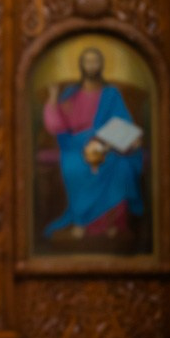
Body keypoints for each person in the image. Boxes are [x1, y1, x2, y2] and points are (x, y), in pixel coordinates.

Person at [43, 47, 144, 241]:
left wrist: (121, 139)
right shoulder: (70, 94)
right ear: (81, 65)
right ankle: (82, 221)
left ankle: (113, 223)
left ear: (101, 65)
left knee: (122, 167)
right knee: (74, 166)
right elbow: (56, 126)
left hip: (106, 143)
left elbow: (123, 123)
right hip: (75, 145)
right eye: (87, 61)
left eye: (95, 61)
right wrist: (54, 97)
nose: (91, 65)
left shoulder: (111, 94)